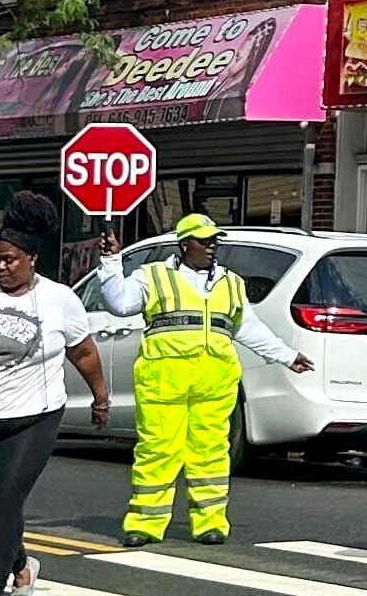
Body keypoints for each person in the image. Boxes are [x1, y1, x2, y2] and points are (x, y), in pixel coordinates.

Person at [87, 213, 307, 547]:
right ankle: (145, 523)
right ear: (184, 243)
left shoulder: (230, 282)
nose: (211, 246)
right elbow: (120, 302)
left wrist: (286, 356)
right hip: (164, 381)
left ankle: (210, 523)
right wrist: (111, 261)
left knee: (211, 452)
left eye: (214, 240)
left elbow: (248, 327)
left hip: (214, 382)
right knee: (157, 450)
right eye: (203, 240)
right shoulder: (154, 276)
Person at [0, 192, 109, 596]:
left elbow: (84, 353)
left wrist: (100, 398)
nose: (1, 267)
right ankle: (21, 566)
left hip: (33, 416)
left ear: (32, 258)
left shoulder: (59, 299)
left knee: (5, 499)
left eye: (10, 260)